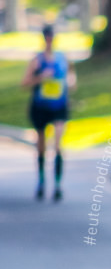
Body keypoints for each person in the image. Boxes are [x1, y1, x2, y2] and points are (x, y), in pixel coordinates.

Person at [21, 24, 76, 201]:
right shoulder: (37, 60)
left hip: (59, 106)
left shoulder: (63, 58)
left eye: (52, 37)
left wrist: (70, 83)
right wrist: (40, 77)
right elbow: (25, 83)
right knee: (42, 145)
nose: (50, 40)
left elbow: (72, 75)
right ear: (44, 38)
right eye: (47, 37)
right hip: (40, 107)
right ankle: (42, 181)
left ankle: (58, 185)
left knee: (58, 144)